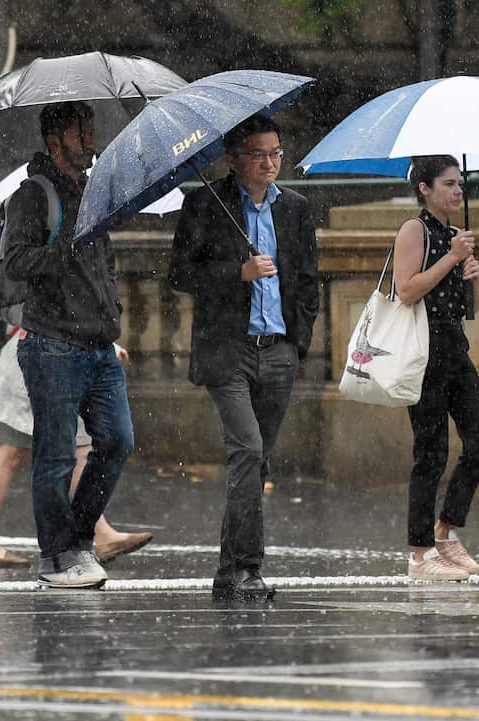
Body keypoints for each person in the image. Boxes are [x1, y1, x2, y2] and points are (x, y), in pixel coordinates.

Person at [169, 114, 320, 601]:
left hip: (278, 352)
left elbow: (306, 282)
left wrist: (298, 345)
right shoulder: (205, 205)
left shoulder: (295, 209)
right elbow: (179, 274)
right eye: (259, 154)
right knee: (248, 452)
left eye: (277, 153)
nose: (271, 162)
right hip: (228, 352)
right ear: (233, 161)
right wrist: (238, 272)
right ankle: (249, 568)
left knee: (257, 463)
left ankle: (228, 570)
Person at [1, 101, 135, 589]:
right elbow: (15, 262)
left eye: (91, 133)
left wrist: (110, 311)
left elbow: (105, 265)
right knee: (55, 454)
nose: (91, 143)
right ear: (55, 141)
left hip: (98, 345)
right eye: (81, 135)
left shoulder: (92, 192)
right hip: (52, 345)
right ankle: (56, 555)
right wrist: (66, 250)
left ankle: (78, 538)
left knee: (118, 440)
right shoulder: (32, 197)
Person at [391, 155, 479, 583]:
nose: (458, 191)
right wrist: (452, 259)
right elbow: (407, 290)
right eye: (449, 184)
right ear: (425, 189)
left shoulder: (456, 237)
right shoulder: (415, 230)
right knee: (430, 451)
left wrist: (474, 276)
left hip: (455, 348)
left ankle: (445, 529)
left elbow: (472, 308)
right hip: (423, 350)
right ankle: (419, 555)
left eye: (461, 184)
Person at [0, 333, 152, 567]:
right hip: (31, 366)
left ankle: (101, 533)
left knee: (79, 448)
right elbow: (56, 310)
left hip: (55, 359)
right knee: (10, 452)